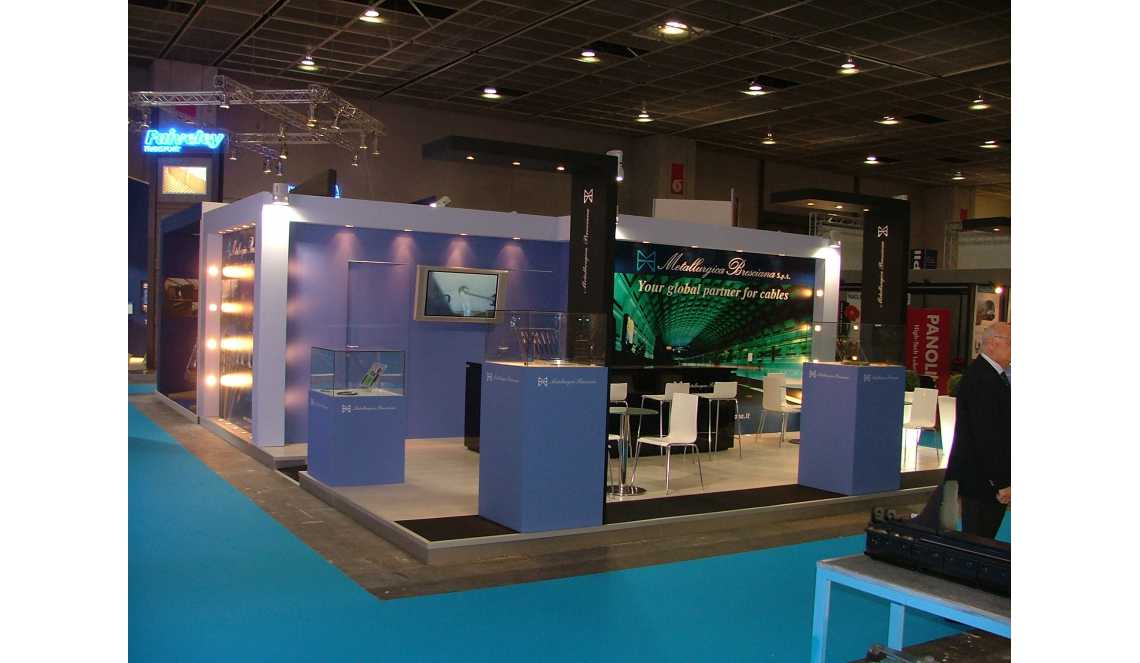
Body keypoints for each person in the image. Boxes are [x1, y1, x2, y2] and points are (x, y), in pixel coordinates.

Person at [943, 322, 1011, 538]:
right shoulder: (983, 378)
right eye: (1011, 343)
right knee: (978, 539)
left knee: (980, 537)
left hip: (983, 479)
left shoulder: (992, 375)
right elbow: (987, 435)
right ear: (992, 344)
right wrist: (1002, 482)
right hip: (982, 480)